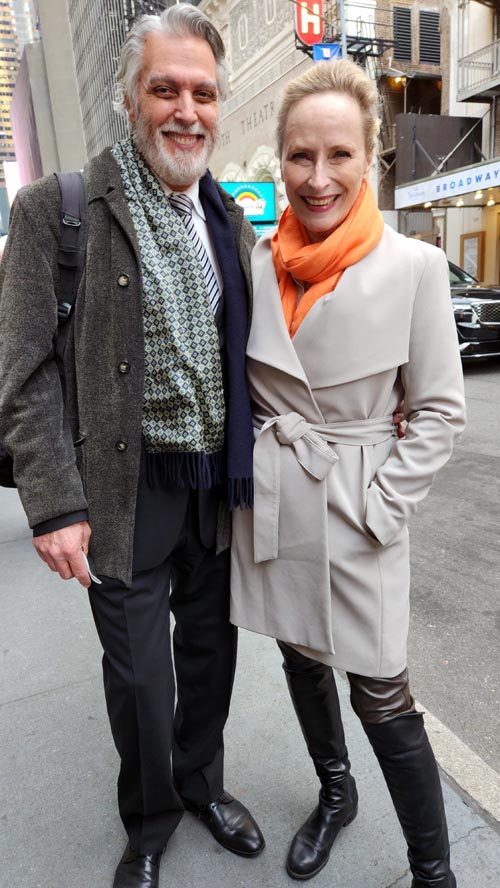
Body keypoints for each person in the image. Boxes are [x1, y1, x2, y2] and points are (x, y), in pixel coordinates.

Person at [0, 6, 265, 888]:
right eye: (166, 89)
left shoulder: (227, 222)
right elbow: (25, 371)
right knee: (143, 682)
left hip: (214, 485)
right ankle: (149, 822)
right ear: (128, 98)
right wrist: (56, 503)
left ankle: (203, 785)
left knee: (211, 659)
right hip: (120, 488)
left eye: (202, 92)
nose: (186, 110)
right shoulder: (55, 211)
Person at [230, 59, 465, 887]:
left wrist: (378, 508)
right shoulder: (258, 263)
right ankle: (337, 794)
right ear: (281, 160)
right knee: (301, 657)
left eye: (338, 155)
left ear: (371, 159)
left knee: (384, 693)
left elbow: (438, 412)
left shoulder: (414, 268)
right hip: (280, 498)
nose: (318, 177)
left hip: (359, 501)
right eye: (299, 156)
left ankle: (433, 872)